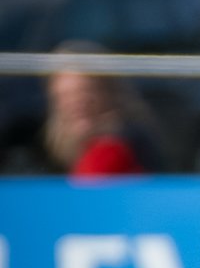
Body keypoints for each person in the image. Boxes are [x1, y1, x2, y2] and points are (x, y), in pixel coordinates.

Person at [44, 43, 163, 178]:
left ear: (109, 93)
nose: (76, 105)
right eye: (66, 96)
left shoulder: (112, 149)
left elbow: (84, 193)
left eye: (85, 92)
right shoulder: (66, 151)